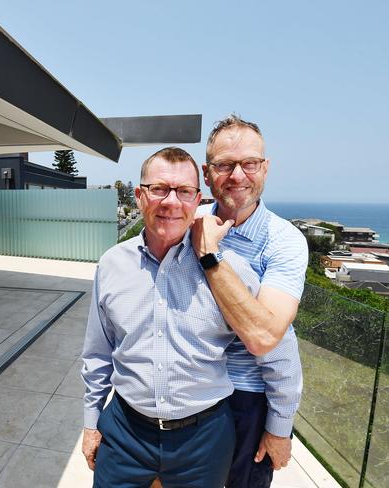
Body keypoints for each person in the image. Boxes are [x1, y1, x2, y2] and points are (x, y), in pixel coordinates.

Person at [81, 147, 301, 487]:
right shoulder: (112, 264)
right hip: (125, 430)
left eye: (184, 191)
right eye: (159, 189)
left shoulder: (228, 272)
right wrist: (91, 421)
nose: (171, 202)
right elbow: (98, 352)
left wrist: (279, 428)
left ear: (197, 199)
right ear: (140, 196)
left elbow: (278, 350)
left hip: (204, 439)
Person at [192, 114, 308, 487]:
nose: (238, 176)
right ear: (207, 173)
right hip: (189, 386)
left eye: (249, 164)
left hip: (244, 397)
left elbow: (266, 337)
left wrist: (279, 426)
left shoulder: (284, 241)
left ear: (265, 168)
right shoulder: (190, 223)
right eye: (225, 165)